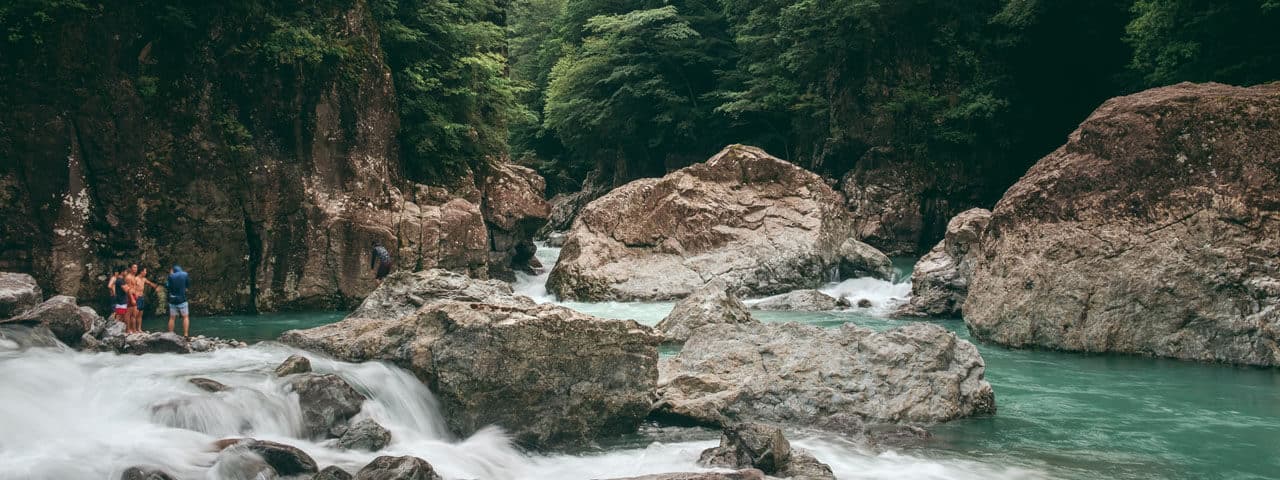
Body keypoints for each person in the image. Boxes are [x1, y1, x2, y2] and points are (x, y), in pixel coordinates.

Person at [166, 265, 191, 337]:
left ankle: (170, 333)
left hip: (173, 300)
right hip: (182, 299)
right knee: (185, 317)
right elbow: (188, 285)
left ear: (173, 270)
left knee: (172, 318)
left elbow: (167, 286)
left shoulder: (170, 276)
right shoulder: (185, 274)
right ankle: (186, 334)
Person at [109, 265, 129, 330]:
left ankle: (119, 330)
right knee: (120, 317)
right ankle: (115, 330)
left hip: (121, 300)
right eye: (126, 271)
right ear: (122, 272)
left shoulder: (120, 280)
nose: (127, 273)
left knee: (120, 316)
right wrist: (129, 287)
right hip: (121, 301)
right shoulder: (120, 280)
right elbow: (126, 290)